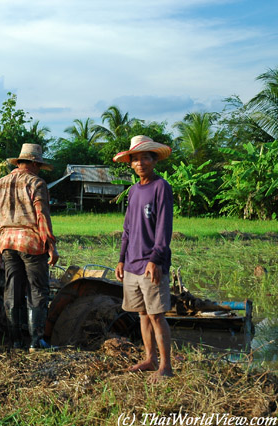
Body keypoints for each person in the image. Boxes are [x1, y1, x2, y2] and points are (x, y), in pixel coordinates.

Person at [113, 135, 174, 383]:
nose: (140, 163)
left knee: (157, 315)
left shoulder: (161, 187)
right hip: (132, 264)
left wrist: (155, 259)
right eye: (135, 159)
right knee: (141, 314)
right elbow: (127, 228)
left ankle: (166, 366)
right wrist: (121, 259)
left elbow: (163, 228)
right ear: (130, 164)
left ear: (154, 160)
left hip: (152, 263)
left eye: (145, 158)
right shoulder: (134, 191)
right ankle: (149, 359)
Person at [0, 143, 59, 352]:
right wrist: (50, 245)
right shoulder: (36, 183)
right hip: (31, 243)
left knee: (13, 290)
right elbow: (42, 216)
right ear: (35, 164)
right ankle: (36, 341)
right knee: (37, 290)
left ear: (19, 162)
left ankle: (16, 340)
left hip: (7, 244)